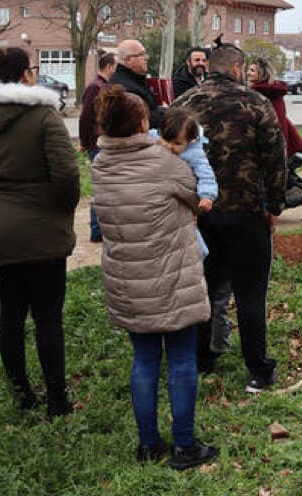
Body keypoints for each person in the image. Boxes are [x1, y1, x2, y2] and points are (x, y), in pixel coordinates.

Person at [90, 87, 218, 469]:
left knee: (144, 360)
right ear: (143, 123)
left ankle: (148, 444)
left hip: (128, 277)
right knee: (181, 359)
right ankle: (184, 446)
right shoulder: (164, 163)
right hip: (173, 276)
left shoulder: (100, 164)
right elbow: (198, 197)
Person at [0, 47, 80, 418]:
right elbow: (66, 174)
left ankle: (21, 393)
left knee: (11, 314)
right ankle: (57, 400)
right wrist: (61, 207)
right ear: (26, 75)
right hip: (42, 231)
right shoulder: (45, 117)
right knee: (48, 317)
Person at [171, 45, 286, 390]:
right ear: (237, 67)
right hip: (246, 213)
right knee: (250, 294)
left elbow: (169, 158)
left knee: (201, 288)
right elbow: (275, 157)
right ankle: (258, 370)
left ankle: (201, 359)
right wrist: (274, 205)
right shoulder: (256, 104)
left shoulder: (183, 104)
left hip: (199, 215)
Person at [154, 108, 217, 258]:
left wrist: (207, 195)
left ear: (189, 141)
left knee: (190, 235)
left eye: (177, 143)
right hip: (161, 199)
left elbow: (206, 175)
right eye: (166, 140)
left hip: (182, 202)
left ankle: (199, 255)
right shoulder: (152, 138)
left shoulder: (194, 153)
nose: (169, 146)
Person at [247, 58, 302, 166]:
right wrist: (300, 145)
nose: (248, 73)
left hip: (269, 143)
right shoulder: (275, 90)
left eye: (252, 70)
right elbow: (283, 120)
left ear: (262, 74)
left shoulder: (258, 93)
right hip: (280, 140)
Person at [79, 51, 118, 243]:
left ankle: (101, 227)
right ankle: (97, 230)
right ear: (110, 67)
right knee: (100, 187)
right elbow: (86, 117)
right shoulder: (95, 87)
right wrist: (86, 143)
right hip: (97, 144)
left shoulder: (102, 86)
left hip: (101, 142)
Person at [111, 39, 165, 129]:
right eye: (141, 54)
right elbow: (140, 119)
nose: (146, 58)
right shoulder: (126, 88)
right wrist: (164, 112)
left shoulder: (135, 81)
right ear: (128, 60)